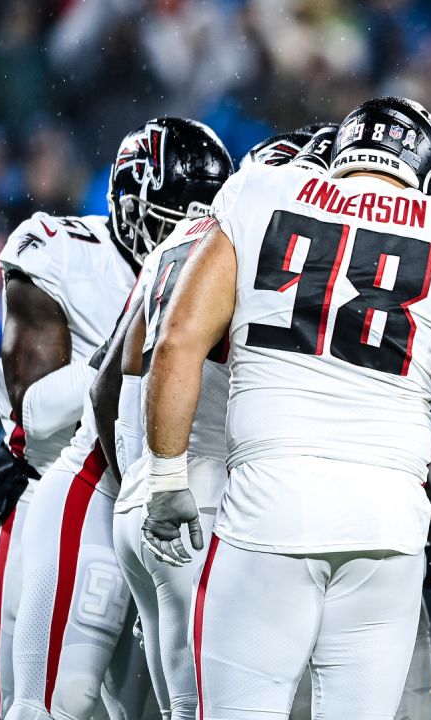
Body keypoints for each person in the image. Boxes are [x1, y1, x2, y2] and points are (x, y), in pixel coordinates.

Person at [140, 96, 431, 717]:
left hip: (269, 508)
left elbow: (179, 338)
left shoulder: (261, 191)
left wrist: (165, 477)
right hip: (385, 523)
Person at [5, 118, 234, 720]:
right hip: (69, 486)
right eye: (177, 220)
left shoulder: (233, 262)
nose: (190, 237)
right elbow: (35, 408)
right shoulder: (65, 251)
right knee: (45, 702)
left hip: (166, 501)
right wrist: (141, 373)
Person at [98, 128, 315, 720]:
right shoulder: (266, 240)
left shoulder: (179, 238)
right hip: (209, 502)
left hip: (145, 496)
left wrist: (140, 481)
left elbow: (108, 385)